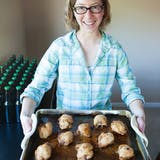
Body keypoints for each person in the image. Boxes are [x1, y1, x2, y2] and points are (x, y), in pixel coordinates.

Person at [20, 0, 145, 135]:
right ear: (73, 11)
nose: (88, 15)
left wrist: (139, 113)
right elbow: (37, 87)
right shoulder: (59, 47)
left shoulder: (115, 50)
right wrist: (25, 113)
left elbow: (130, 89)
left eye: (95, 7)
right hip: (66, 127)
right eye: (81, 8)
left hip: (101, 127)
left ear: (103, 10)